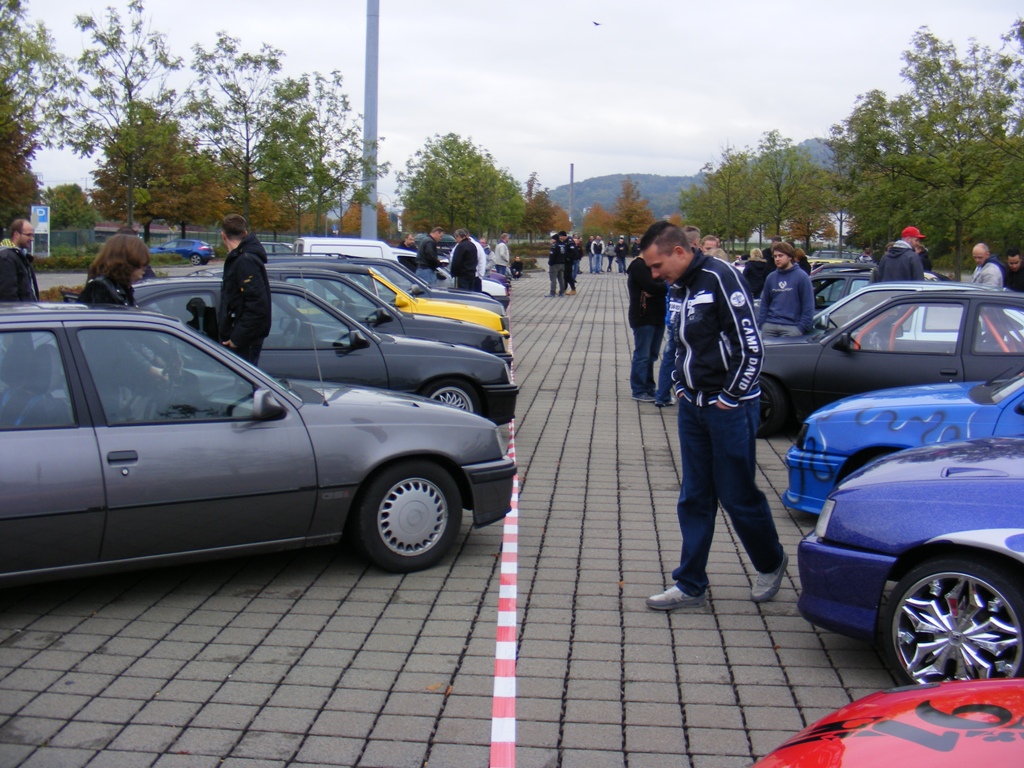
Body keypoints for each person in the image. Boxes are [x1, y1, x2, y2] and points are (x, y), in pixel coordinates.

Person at [639, 221, 787, 611]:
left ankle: (771, 561)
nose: (654, 275)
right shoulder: (677, 286)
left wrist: (730, 397)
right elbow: (678, 342)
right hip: (692, 406)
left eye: (657, 266)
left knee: (737, 495)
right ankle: (690, 584)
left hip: (730, 408)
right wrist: (679, 384)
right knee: (694, 496)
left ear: (679, 252)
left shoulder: (721, 277)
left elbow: (751, 347)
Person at [218, 214, 271, 365]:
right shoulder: (241, 259)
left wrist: (237, 338)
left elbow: (258, 306)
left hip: (244, 344)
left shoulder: (245, 261)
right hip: (243, 341)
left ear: (223, 236)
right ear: (245, 233)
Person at [627, 254, 667, 402]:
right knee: (643, 355)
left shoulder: (656, 265)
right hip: (643, 316)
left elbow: (668, 283)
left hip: (659, 315)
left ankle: (649, 387)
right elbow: (652, 286)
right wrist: (662, 286)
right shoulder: (638, 266)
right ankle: (638, 389)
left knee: (652, 355)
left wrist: (661, 287)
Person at [77, 235, 151, 306]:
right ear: (127, 262)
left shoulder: (122, 288)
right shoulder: (101, 288)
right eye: (141, 262)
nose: (144, 268)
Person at [759, 242, 814, 337]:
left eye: (780, 256)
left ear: (790, 257)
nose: (777, 259)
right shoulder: (771, 277)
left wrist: (801, 328)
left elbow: (808, 305)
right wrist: (762, 324)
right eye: (775, 256)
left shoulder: (802, 277)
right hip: (769, 326)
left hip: (792, 327)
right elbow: (764, 303)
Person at [0, 219, 38, 301]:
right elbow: (8, 296)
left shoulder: (22, 256)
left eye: (33, 235)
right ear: (16, 234)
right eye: (28, 235)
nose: (32, 239)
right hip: (19, 309)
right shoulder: (6, 259)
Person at [547, 231, 570, 296]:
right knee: (561, 278)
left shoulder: (554, 245)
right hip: (562, 263)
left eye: (552, 239)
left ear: (554, 239)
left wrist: (550, 263)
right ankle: (562, 292)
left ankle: (552, 292)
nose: (551, 240)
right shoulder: (563, 245)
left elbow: (552, 255)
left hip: (555, 264)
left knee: (553, 278)